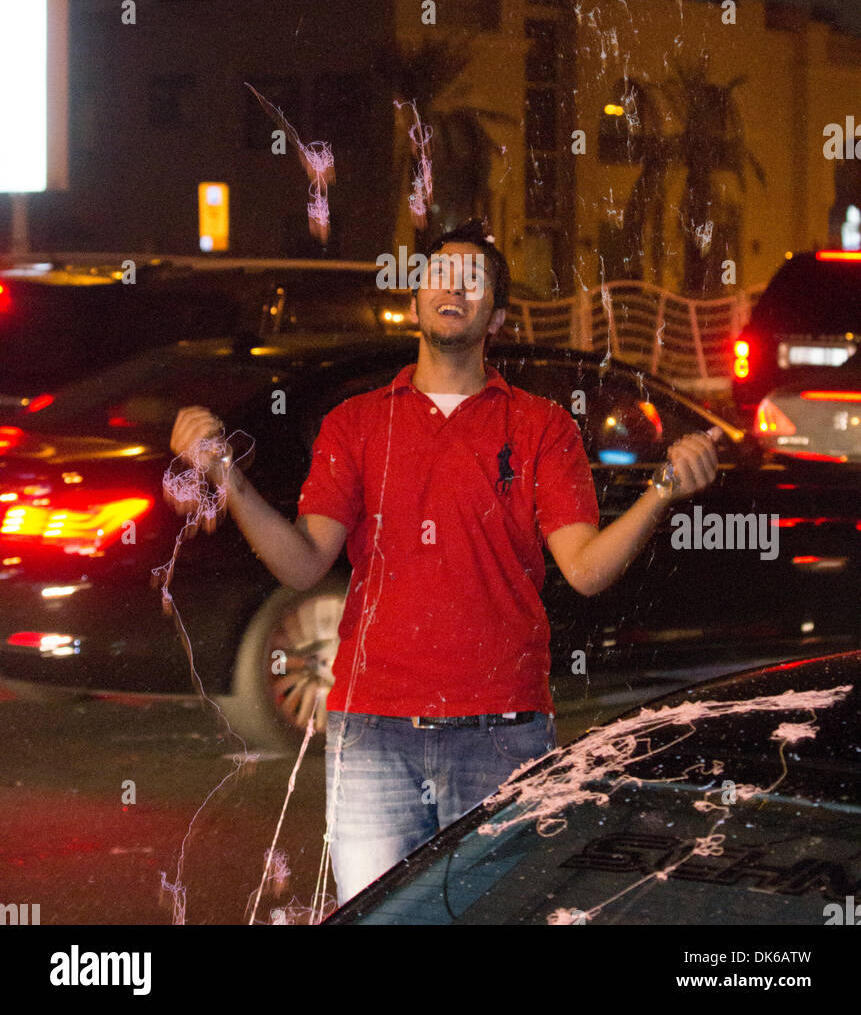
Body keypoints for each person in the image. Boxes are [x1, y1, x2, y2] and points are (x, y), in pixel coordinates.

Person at [169, 220, 720, 906]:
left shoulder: (541, 426)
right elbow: (304, 564)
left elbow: (583, 568)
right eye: (437, 275)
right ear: (414, 299)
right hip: (372, 734)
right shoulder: (358, 422)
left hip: (503, 731)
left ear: (497, 314)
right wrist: (229, 477)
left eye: (472, 280)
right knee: (380, 919)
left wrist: (661, 491)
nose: (451, 289)